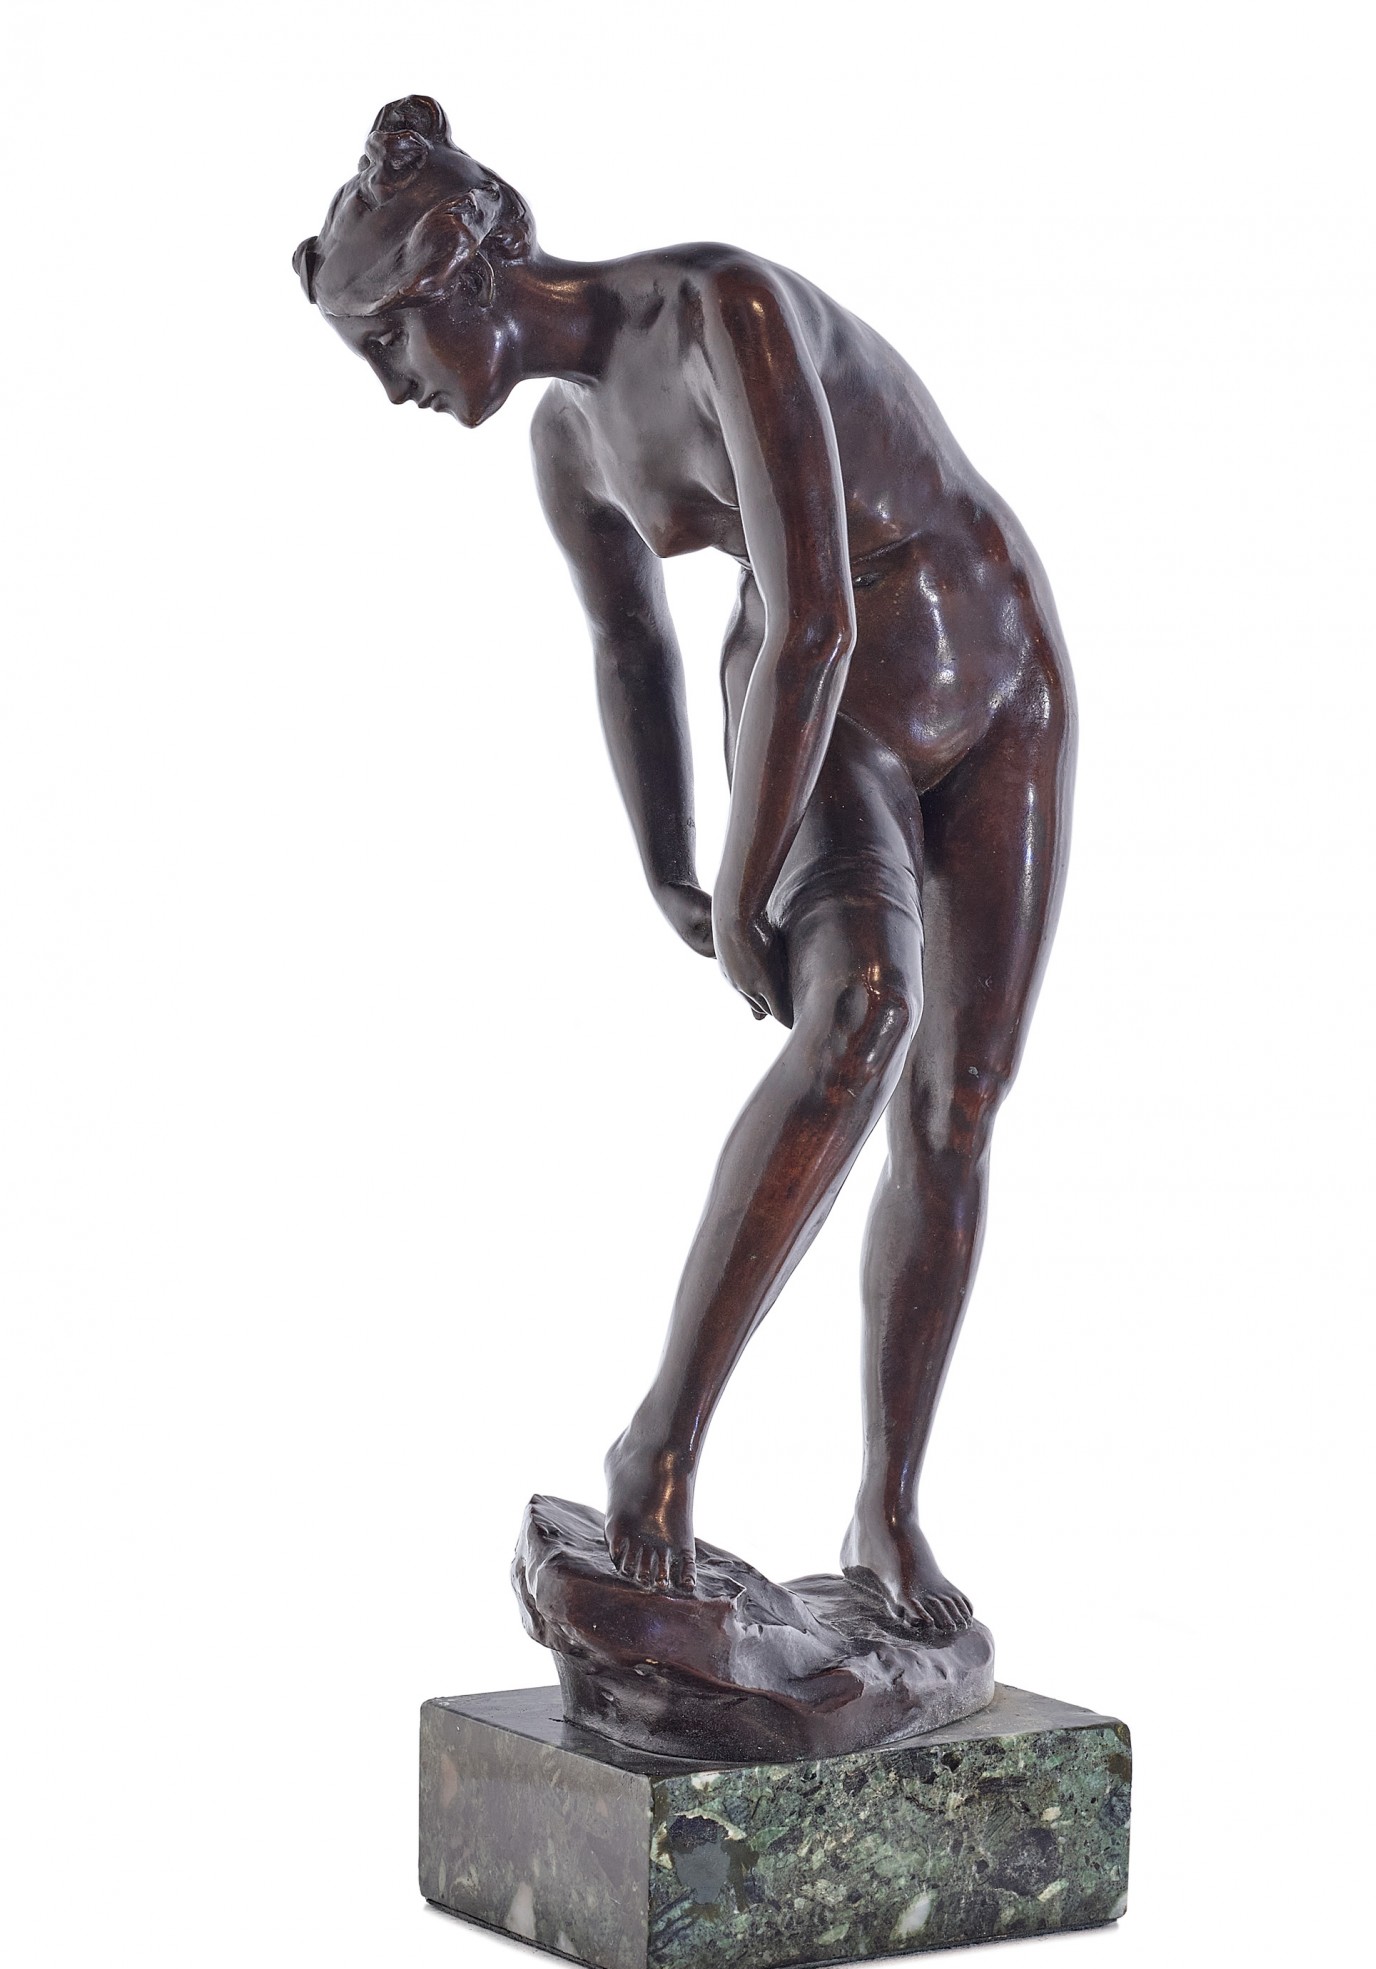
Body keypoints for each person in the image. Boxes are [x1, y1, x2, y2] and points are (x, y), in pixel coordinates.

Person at [296, 96, 1076, 1635]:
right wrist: (669, 865)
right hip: (831, 725)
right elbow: (631, 648)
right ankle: (657, 1448)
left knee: (957, 1111)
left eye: (388, 343)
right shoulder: (567, 450)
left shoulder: (727, 313)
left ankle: (887, 1513)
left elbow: (819, 612)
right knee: (859, 1019)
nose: (392, 387)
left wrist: (737, 881)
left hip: (998, 683)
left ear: (461, 273)